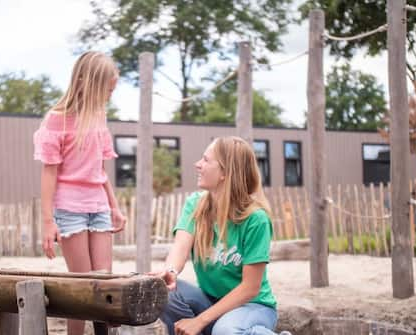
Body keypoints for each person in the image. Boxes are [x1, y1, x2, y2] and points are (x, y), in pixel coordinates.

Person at [153, 136, 290, 335]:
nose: (198, 164)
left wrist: (199, 321)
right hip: (211, 300)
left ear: (225, 172)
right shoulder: (195, 204)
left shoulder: (256, 219)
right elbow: (180, 247)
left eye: (206, 160)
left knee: (224, 331)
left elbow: (250, 288)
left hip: (252, 305)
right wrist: (171, 271)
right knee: (162, 292)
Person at [32, 51, 126, 335]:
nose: (108, 97)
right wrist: (48, 222)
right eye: (106, 90)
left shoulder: (99, 115)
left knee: (105, 285)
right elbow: (49, 173)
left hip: (98, 207)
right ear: (84, 81)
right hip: (69, 209)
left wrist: (114, 206)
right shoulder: (56, 120)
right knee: (84, 287)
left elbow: (100, 169)